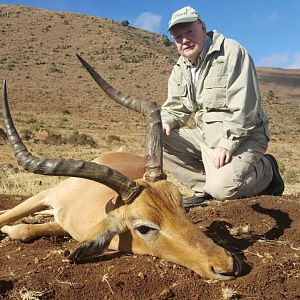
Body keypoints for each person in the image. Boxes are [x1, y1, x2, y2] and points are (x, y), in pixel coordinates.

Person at [161, 6, 284, 208]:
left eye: (189, 32)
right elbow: (176, 106)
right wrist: (166, 120)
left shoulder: (233, 52)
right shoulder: (180, 67)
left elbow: (246, 110)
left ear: (202, 27)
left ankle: (267, 172)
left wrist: (227, 144)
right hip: (206, 135)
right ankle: (204, 189)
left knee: (224, 191)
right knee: (158, 137)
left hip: (244, 135)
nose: (184, 40)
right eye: (178, 37)